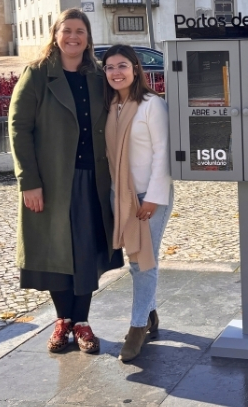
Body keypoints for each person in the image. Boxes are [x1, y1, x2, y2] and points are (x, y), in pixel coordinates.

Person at [8, 8, 123, 354]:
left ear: (88, 38)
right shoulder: (37, 74)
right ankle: (64, 320)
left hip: (93, 179)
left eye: (80, 31)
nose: (73, 37)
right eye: (67, 30)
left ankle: (82, 321)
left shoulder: (98, 75)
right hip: (53, 180)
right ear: (55, 35)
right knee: (56, 251)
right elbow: (18, 128)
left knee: (86, 252)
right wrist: (28, 181)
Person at [102, 44, 173, 362]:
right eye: (110, 67)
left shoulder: (152, 105)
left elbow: (163, 153)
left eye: (122, 66)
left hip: (148, 198)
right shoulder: (111, 106)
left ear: (135, 69)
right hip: (121, 196)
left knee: (143, 263)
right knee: (136, 258)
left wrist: (154, 198)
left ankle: (137, 327)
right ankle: (150, 313)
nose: (116, 72)